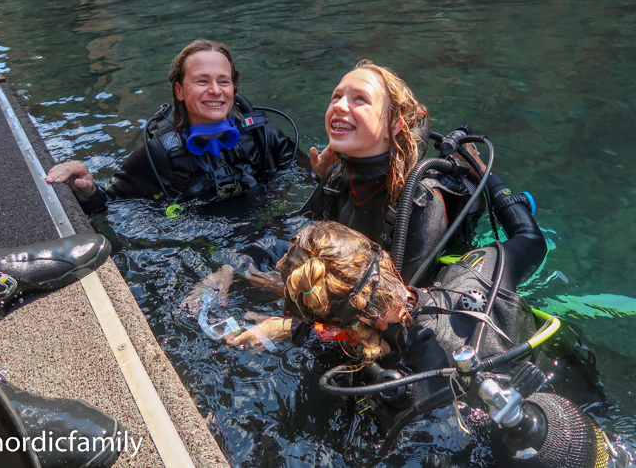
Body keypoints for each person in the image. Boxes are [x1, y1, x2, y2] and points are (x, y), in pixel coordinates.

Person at [224, 171, 607, 465]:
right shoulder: (477, 276)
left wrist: (289, 326)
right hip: (585, 418)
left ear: (329, 324)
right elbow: (530, 238)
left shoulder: (364, 384)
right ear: (384, 257)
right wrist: (489, 178)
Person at [45, 39, 298, 214]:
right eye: (201, 81)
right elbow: (108, 203)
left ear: (233, 88)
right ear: (179, 90)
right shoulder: (157, 154)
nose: (215, 90)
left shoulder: (262, 135)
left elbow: (305, 177)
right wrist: (88, 189)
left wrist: (326, 168)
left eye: (224, 81)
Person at [301, 60, 483, 284]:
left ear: (394, 126)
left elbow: (400, 306)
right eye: (336, 97)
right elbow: (296, 236)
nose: (339, 106)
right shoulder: (336, 177)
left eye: (360, 99)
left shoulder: (420, 203)